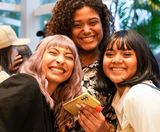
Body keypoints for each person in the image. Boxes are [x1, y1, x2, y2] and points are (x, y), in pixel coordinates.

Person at [0, 35, 82, 132]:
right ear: (38, 58)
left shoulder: (49, 104)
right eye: (53, 53)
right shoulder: (26, 84)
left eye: (69, 57)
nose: (61, 60)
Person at [83, 30, 160, 131]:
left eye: (126, 54)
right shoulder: (120, 95)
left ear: (141, 60)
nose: (116, 60)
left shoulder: (140, 95)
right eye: (109, 54)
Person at [46, 0, 117, 130]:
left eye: (93, 23)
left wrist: (106, 130)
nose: (86, 30)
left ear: (103, 24)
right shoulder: (59, 65)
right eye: (77, 25)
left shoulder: (112, 66)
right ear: (67, 30)